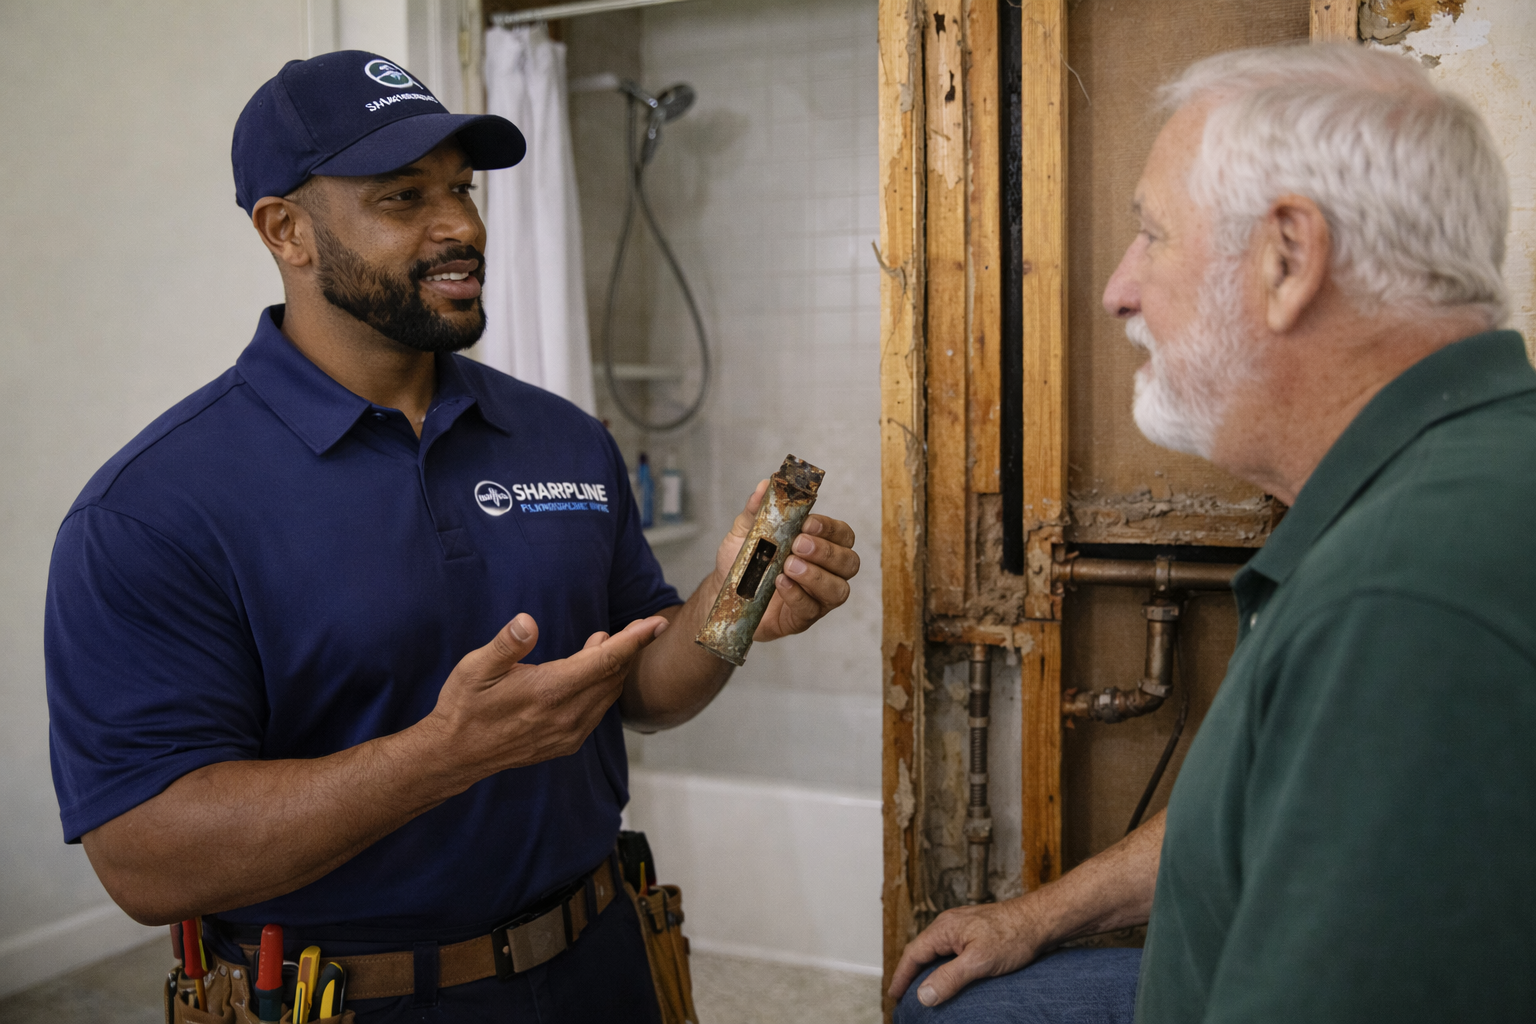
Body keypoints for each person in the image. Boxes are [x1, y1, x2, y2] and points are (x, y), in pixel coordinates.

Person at [44, 51, 859, 1022]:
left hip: (604, 963)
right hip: (340, 1000)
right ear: (285, 229)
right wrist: (444, 754)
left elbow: (637, 690)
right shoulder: (155, 508)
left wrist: (732, 605)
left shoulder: (563, 435)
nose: (462, 227)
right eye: (403, 197)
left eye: (462, 190)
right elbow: (144, 859)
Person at [892, 41, 1536, 1023]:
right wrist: (1038, 916)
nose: (1117, 288)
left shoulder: (1402, 597)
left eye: (1151, 235)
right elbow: (1271, 809)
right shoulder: (1440, 479)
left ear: (1288, 257)